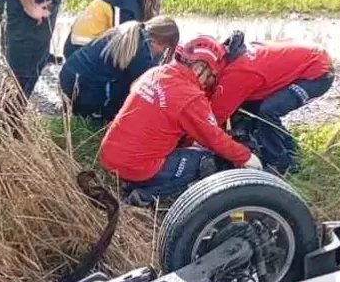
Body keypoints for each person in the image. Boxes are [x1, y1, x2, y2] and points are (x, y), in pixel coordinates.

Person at [99, 36, 256, 203]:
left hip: (109, 157)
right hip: (134, 168)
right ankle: (142, 196)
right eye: (210, 76)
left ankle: (130, 182)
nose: (208, 83)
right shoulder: (190, 96)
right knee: (206, 160)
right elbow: (215, 139)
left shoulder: (155, 73)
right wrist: (246, 157)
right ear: (199, 68)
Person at [210, 33, 334, 174]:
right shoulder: (230, 58)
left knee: (268, 111)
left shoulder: (238, 72)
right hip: (309, 57)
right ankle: (291, 151)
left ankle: (281, 164)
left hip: (317, 72)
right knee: (249, 108)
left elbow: (213, 119)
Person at [60, 15, 179, 127]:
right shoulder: (142, 50)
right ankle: (95, 116)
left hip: (68, 75)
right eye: (164, 48)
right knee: (128, 89)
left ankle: (79, 108)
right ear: (159, 40)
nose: (161, 52)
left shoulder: (132, 29)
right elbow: (148, 85)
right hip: (81, 87)